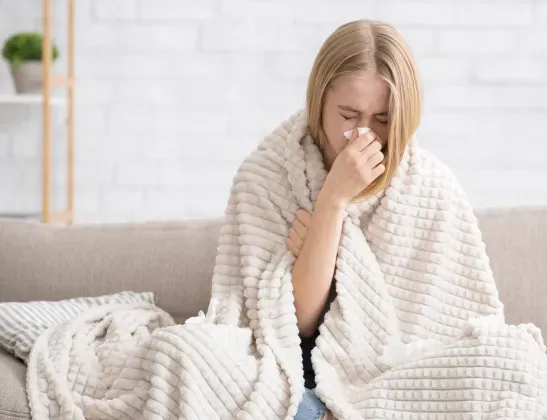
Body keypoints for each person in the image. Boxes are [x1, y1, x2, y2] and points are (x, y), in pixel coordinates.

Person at [286, 19, 421, 420]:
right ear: (319, 103)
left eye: (382, 119)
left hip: (392, 375)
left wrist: (320, 250)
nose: (364, 133)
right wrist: (332, 200)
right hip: (300, 372)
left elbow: (438, 328)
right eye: (348, 114)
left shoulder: (426, 183)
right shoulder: (271, 172)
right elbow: (298, 325)